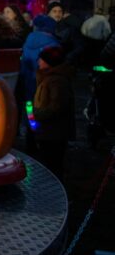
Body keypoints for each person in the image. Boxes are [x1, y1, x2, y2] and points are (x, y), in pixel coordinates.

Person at [30, 45, 74, 181]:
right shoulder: (47, 77)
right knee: (47, 162)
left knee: (52, 164)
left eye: (42, 60)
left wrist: (34, 113)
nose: (39, 62)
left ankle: (53, 188)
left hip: (53, 132)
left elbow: (56, 108)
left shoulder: (57, 81)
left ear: (50, 62)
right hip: (46, 131)